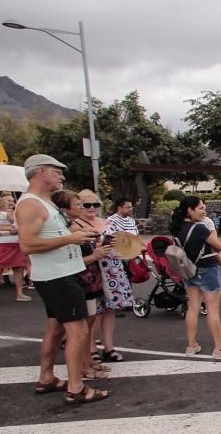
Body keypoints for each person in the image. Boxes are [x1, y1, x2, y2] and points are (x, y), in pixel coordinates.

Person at [16, 155, 108, 404]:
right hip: (58, 277)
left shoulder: (43, 203)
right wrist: (70, 239)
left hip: (58, 274)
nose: (62, 177)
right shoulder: (31, 204)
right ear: (41, 172)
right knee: (77, 332)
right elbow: (27, 244)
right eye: (57, 172)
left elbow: (48, 235)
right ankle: (76, 387)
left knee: (55, 329)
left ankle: (46, 378)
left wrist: (74, 233)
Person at [52, 189, 113, 379]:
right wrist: (95, 255)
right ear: (65, 209)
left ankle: (89, 361)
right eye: (80, 204)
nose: (85, 208)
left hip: (92, 281)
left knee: (89, 323)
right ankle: (83, 366)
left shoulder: (75, 227)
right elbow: (71, 260)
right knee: (80, 329)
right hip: (81, 281)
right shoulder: (68, 232)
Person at [170, 196, 221, 357]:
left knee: (193, 308)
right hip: (207, 269)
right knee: (213, 309)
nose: (203, 211)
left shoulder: (177, 229)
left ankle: (191, 346)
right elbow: (219, 246)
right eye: (200, 208)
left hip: (189, 270)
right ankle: (219, 347)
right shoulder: (200, 228)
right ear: (190, 210)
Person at [98, 197, 138, 362]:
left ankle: (108, 347)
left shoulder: (127, 220)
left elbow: (133, 237)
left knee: (109, 309)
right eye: (127, 206)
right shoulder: (109, 221)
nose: (130, 209)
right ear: (119, 206)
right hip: (100, 264)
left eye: (95, 205)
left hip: (118, 261)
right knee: (94, 312)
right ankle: (91, 348)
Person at [0, 194, 30, 304]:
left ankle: (19, 294)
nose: (11, 202)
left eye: (13, 201)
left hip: (16, 243)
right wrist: (8, 230)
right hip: (0, 244)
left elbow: (22, 226)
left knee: (19, 268)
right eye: (8, 200)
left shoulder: (16, 213)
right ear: (1, 202)